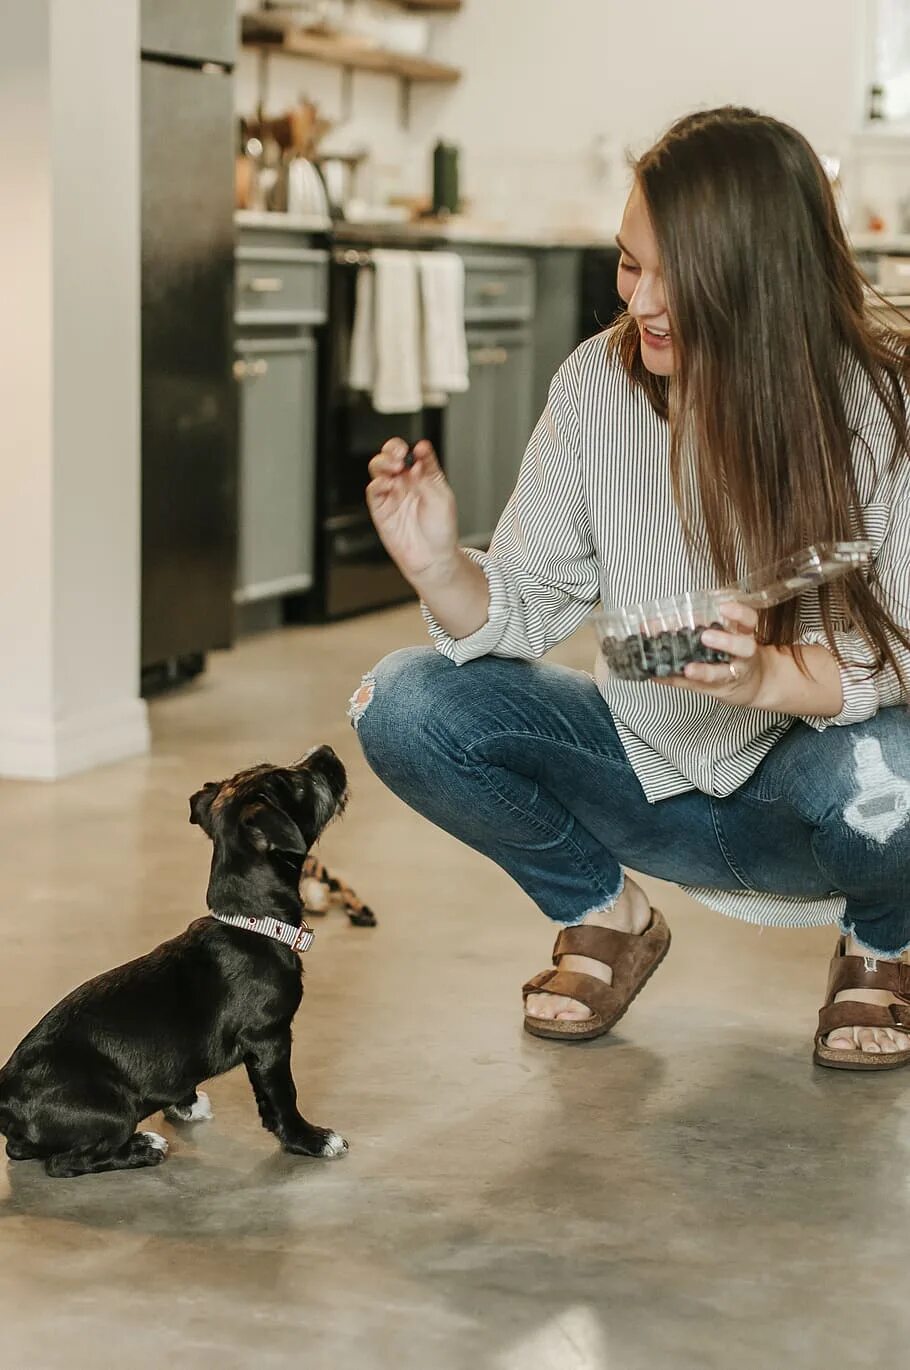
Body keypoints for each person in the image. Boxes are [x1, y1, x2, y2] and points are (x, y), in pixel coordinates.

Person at [351, 107, 910, 1070]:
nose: (642, 301)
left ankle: (884, 939)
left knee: (895, 771)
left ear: (761, 277)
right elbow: (529, 602)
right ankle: (603, 914)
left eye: (672, 275)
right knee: (400, 701)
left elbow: (895, 648)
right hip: (647, 766)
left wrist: (766, 677)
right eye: (628, 264)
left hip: (814, 785)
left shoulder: (883, 402)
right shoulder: (594, 386)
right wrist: (441, 564)